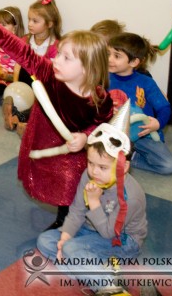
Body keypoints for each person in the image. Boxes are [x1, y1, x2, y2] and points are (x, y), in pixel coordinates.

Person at [0, 0, 114, 230]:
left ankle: (67, 217)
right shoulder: (50, 73)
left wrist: (86, 136)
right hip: (44, 135)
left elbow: (103, 125)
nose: (56, 60)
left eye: (66, 58)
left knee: (71, 180)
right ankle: (65, 212)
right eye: (58, 54)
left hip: (75, 146)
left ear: (87, 67)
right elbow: (24, 53)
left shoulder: (99, 98)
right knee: (47, 173)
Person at [37, 105, 147, 294]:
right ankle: (91, 268)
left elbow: (108, 233)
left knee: (71, 250)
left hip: (122, 240)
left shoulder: (131, 196)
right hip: (89, 230)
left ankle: (110, 287)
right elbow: (76, 212)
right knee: (45, 240)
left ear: (124, 167)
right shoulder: (88, 176)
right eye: (90, 163)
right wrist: (65, 236)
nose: (94, 171)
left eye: (102, 167)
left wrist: (94, 201)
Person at [108, 32, 172, 175]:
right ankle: (119, 155)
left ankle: (131, 158)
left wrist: (158, 124)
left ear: (134, 62)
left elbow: (164, 108)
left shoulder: (146, 82)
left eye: (117, 56)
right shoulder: (102, 78)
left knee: (168, 165)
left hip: (142, 135)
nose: (109, 59)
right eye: (108, 54)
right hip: (113, 133)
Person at [4, 0, 62, 134]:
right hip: (25, 83)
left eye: (35, 21)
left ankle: (18, 119)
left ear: (49, 24)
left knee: (43, 107)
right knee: (26, 67)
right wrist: (15, 86)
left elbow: (51, 74)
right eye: (29, 19)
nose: (30, 24)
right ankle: (15, 115)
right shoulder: (25, 40)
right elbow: (18, 66)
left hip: (43, 85)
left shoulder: (55, 46)